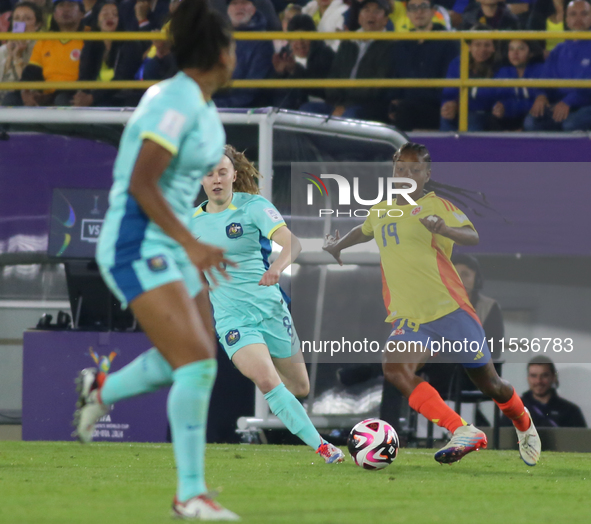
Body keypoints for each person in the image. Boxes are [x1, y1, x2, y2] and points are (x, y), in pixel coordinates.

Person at [72, 0, 240, 519]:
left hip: (169, 241)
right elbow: (144, 182)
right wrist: (190, 243)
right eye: (233, 43)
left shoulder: (204, 109)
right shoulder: (175, 101)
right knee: (196, 362)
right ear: (219, 52)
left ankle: (103, 387)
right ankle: (189, 494)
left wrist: (188, 242)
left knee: (192, 357)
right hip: (135, 242)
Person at [323, 142, 541, 466]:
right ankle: (462, 429)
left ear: (427, 174)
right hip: (410, 318)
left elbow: (472, 236)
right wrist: (337, 246)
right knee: (394, 369)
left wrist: (445, 229)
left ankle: (524, 423)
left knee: (490, 384)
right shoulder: (380, 209)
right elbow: (365, 230)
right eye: (400, 169)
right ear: (393, 171)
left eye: (414, 170)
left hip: (449, 311)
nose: (406, 176)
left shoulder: (436, 205)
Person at [190, 146, 346, 464]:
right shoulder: (192, 224)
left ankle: (270, 375)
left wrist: (277, 267)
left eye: (222, 172)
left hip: (271, 310)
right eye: (209, 174)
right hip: (233, 320)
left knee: (299, 387)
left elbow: (293, 242)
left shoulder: (254, 207)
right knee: (267, 382)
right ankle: (325, 448)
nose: (216, 179)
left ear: (234, 175)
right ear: (201, 179)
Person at [301, 0, 394, 121]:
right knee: (306, 110)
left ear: (385, 20)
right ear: (359, 17)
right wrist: (337, 104)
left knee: (350, 116)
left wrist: (346, 106)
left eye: (377, 11)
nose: (371, 15)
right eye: (366, 10)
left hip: (369, 107)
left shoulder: (390, 46)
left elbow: (377, 88)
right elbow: (333, 77)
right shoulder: (347, 42)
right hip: (339, 105)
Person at [388, 0, 459, 131]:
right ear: (407, 14)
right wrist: (395, 100)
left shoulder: (448, 43)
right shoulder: (401, 45)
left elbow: (449, 84)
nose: (418, 12)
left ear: (433, 11)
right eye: (413, 8)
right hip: (408, 105)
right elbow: (396, 78)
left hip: (435, 105)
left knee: (405, 110)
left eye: (423, 7)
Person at [1, 0, 84, 107]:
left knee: (61, 99)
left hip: (72, 92)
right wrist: (24, 91)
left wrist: (18, 59)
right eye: (61, 5)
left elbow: (88, 73)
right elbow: (32, 72)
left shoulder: (91, 37)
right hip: (47, 93)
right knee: (11, 99)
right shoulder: (45, 40)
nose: (66, 9)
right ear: (54, 15)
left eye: (71, 5)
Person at [524, 0, 591, 131]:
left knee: (570, 125)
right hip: (560, 104)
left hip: (585, 105)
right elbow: (545, 79)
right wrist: (541, 95)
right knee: (531, 122)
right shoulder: (558, 49)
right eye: (573, 14)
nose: (578, 18)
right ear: (566, 19)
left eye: (584, 14)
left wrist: (569, 101)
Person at [74, 0, 144, 107]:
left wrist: (93, 98)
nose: (110, 17)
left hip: (120, 97)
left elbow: (122, 80)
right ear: (97, 18)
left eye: (115, 14)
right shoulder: (90, 43)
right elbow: (84, 74)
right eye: (105, 13)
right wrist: (82, 94)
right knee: (63, 100)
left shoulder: (130, 43)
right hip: (93, 96)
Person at [213, 0, 274, 109]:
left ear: (253, 9)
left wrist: (216, 105)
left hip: (249, 112)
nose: (239, 7)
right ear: (228, 10)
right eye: (234, 3)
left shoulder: (263, 41)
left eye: (244, 2)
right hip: (219, 105)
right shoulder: (218, 37)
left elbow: (250, 93)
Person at [272, 13, 335, 110]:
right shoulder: (283, 56)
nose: (300, 42)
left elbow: (322, 91)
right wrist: (280, 74)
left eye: (304, 37)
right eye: (295, 37)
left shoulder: (326, 55)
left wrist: (295, 70)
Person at [440, 28, 499, 131]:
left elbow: (492, 98)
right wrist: (449, 105)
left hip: (485, 113)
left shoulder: (499, 65)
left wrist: (459, 105)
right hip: (461, 110)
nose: (482, 49)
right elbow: (449, 92)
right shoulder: (458, 63)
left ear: (494, 48)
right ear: (469, 46)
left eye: (487, 45)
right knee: (446, 117)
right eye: (477, 44)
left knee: (473, 119)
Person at [502, 356, 587, 427]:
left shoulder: (570, 411)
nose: (538, 381)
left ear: (553, 377)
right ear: (527, 378)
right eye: (533, 376)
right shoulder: (514, 410)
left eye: (544, 376)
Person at [487, 39, 545, 130]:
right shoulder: (503, 71)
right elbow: (497, 97)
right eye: (511, 49)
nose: (515, 53)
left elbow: (540, 104)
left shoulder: (541, 70)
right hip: (510, 118)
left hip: (533, 117)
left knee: (531, 121)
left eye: (521, 49)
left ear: (531, 53)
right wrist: (497, 107)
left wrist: (507, 107)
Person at [0, 2, 43, 105]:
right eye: (17, 18)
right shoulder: (4, 49)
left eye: (27, 19)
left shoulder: (41, 48)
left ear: (37, 25)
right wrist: (10, 57)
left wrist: (17, 59)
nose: (20, 23)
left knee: (11, 99)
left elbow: (29, 89)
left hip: (29, 99)